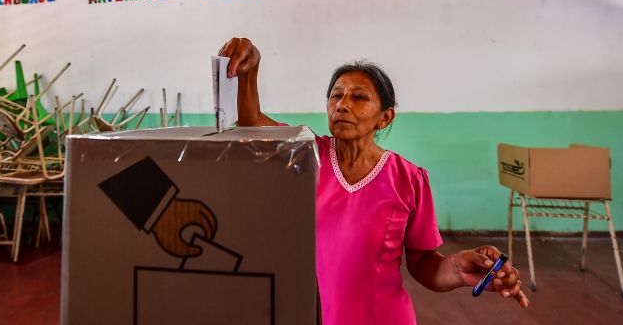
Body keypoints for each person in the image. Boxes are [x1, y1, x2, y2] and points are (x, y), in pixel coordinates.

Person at [218, 37, 529, 325]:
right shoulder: (308, 154)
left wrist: (459, 268)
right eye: (335, 96)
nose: (342, 104)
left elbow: (423, 264)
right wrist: (250, 71)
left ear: (385, 117)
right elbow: (251, 122)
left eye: (359, 97)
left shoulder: (408, 179)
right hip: (315, 315)